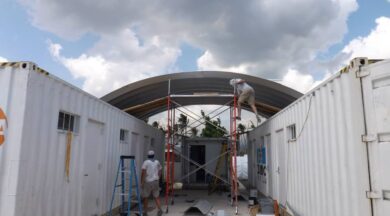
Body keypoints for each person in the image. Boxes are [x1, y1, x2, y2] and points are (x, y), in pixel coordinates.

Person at [141, 150, 163, 216]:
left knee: (146, 197)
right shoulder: (157, 162)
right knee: (156, 196)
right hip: (156, 181)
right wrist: (158, 176)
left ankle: (145, 212)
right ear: (153, 155)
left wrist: (142, 182)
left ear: (148, 156)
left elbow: (143, 173)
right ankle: (160, 210)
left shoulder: (146, 162)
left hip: (148, 182)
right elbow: (160, 169)